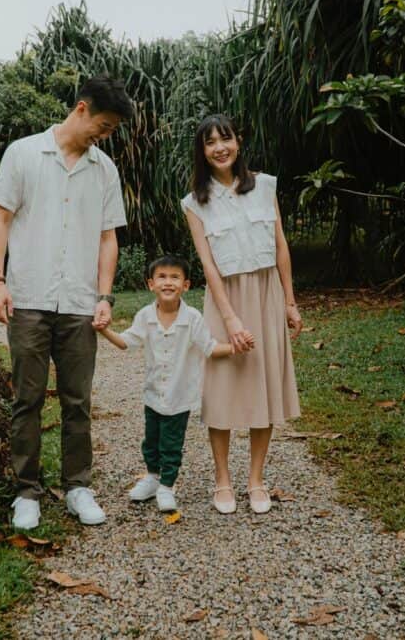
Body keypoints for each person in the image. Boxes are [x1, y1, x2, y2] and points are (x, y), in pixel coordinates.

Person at [0, 75, 133, 530]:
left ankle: (77, 487)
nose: (104, 136)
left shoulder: (104, 169)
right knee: (27, 399)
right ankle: (26, 491)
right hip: (28, 294)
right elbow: (0, 218)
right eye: (104, 125)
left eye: (111, 131)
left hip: (79, 303)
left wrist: (105, 294)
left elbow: (108, 239)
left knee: (78, 400)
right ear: (82, 108)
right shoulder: (24, 153)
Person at [181, 113, 302, 515]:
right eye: (210, 142)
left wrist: (289, 301)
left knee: (262, 383)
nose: (220, 147)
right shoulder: (194, 202)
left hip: (266, 293)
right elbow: (208, 265)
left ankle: (256, 480)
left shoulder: (265, 186)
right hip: (224, 298)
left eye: (226, 139)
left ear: (238, 141)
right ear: (202, 151)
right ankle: (222, 480)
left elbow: (280, 245)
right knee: (222, 387)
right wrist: (230, 319)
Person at [95, 255, 252, 513]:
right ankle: (153, 478)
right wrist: (104, 331)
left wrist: (236, 347)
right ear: (151, 284)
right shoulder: (145, 316)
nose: (168, 283)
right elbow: (127, 342)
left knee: (171, 444)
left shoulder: (192, 318)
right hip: (153, 395)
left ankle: (167, 486)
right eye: (162, 277)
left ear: (186, 285)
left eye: (175, 277)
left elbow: (210, 348)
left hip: (180, 397)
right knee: (151, 441)